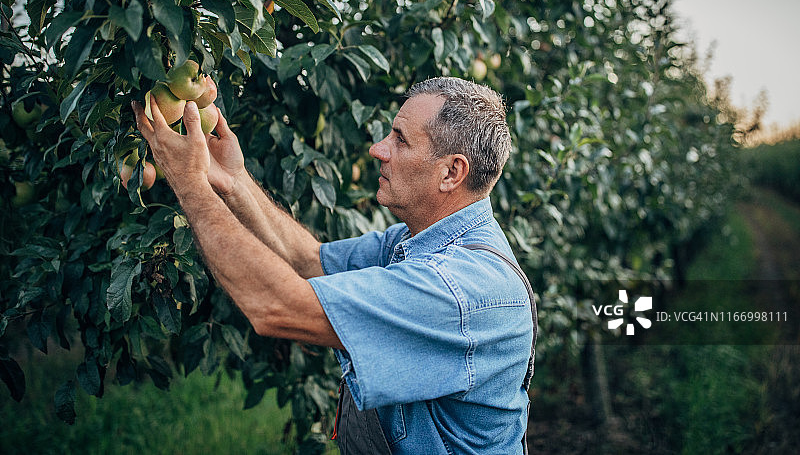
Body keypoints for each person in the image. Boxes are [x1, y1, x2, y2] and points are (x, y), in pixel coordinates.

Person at [132, 76, 537, 454]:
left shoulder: (461, 289)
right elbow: (309, 260)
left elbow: (276, 305)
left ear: (451, 172)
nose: (378, 149)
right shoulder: (416, 242)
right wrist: (234, 181)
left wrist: (189, 182)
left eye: (400, 140)